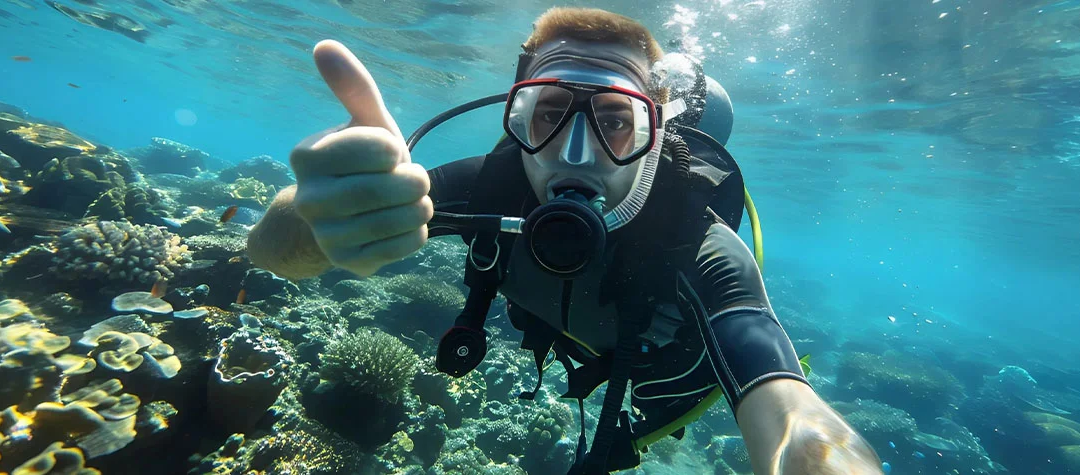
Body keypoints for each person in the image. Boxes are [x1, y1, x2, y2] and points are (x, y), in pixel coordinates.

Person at [248, 7, 882, 475]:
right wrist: (312, 215)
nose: (574, 156)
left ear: (654, 133)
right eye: (549, 114)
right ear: (516, 116)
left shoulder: (699, 247)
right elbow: (272, 255)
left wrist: (818, 454)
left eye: (614, 122)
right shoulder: (488, 187)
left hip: (665, 387)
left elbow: (786, 402)